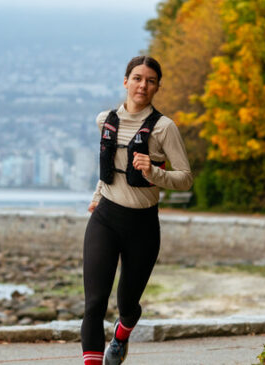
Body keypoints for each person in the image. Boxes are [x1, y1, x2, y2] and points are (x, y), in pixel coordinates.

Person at [81, 55, 193, 365]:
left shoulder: (164, 128)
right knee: (94, 304)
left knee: (128, 303)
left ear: (157, 87)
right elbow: (107, 165)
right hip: (105, 218)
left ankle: (122, 334)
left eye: (151, 80)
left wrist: (153, 173)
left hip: (142, 225)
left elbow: (185, 179)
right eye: (138, 78)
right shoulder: (104, 120)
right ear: (126, 82)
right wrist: (97, 194)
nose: (143, 84)